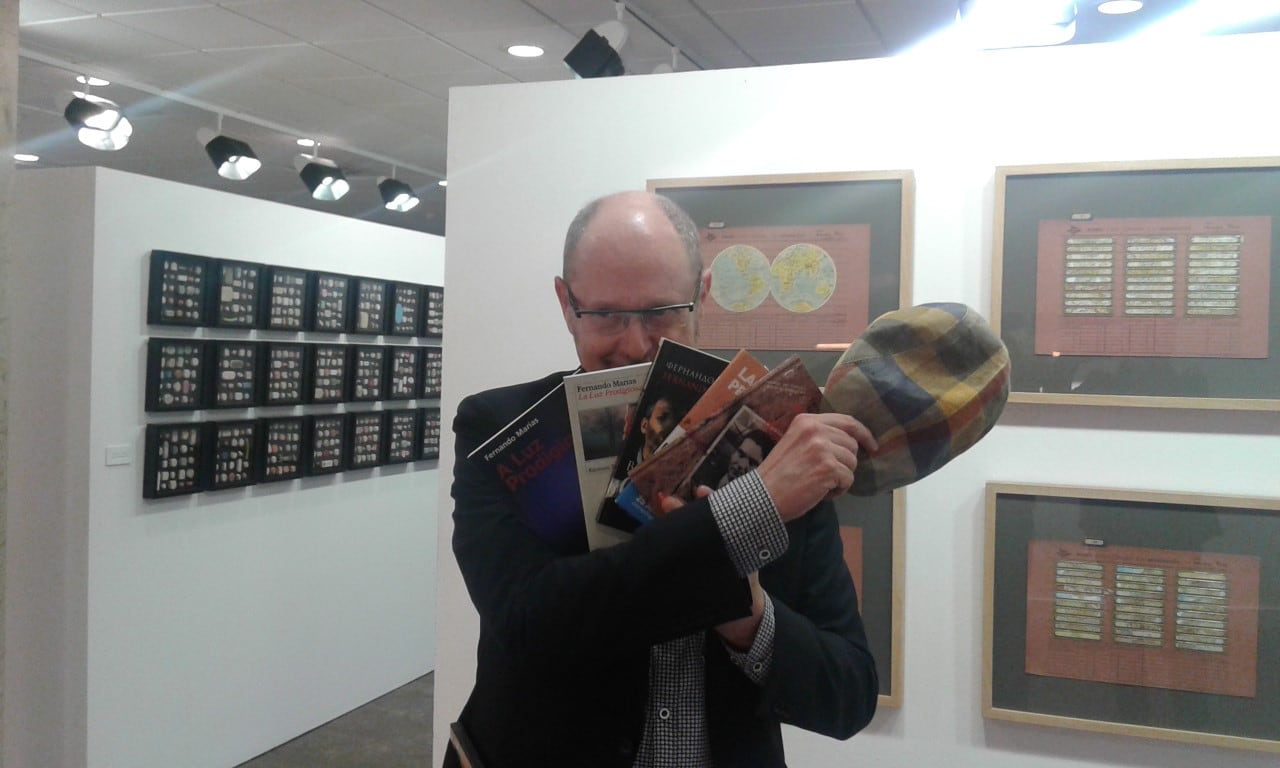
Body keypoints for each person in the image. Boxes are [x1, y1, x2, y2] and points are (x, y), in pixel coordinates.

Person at [448, 190, 879, 767]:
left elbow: (847, 696)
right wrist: (746, 516)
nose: (633, 343)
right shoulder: (500, 427)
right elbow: (530, 626)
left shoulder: (778, 436)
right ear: (564, 301)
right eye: (604, 314)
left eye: (659, 312)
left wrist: (746, 616)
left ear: (701, 296)